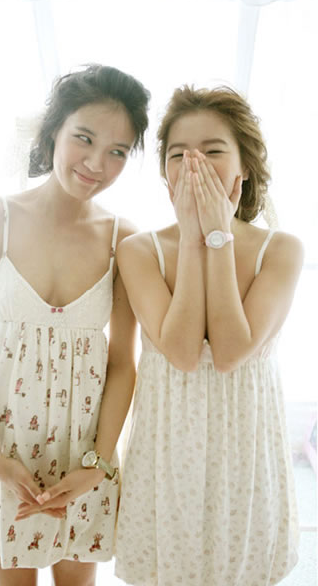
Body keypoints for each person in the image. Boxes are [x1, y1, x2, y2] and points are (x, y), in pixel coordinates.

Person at [0, 64, 150, 586]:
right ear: (54, 130)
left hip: (82, 453)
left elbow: (123, 362)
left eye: (118, 151)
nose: (97, 164)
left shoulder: (123, 239)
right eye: (84, 138)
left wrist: (97, 464)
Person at [114, 85, 303, 586]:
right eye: (178, 154)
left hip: (244, 445)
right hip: (168, 446)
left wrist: (218, 237)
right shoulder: (139, 250)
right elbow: (180, 352)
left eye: (213, 151)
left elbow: (230, 352)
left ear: (243, 169)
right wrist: (193, 240)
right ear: (165, 175)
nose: (194, 164)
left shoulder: (281, 250)